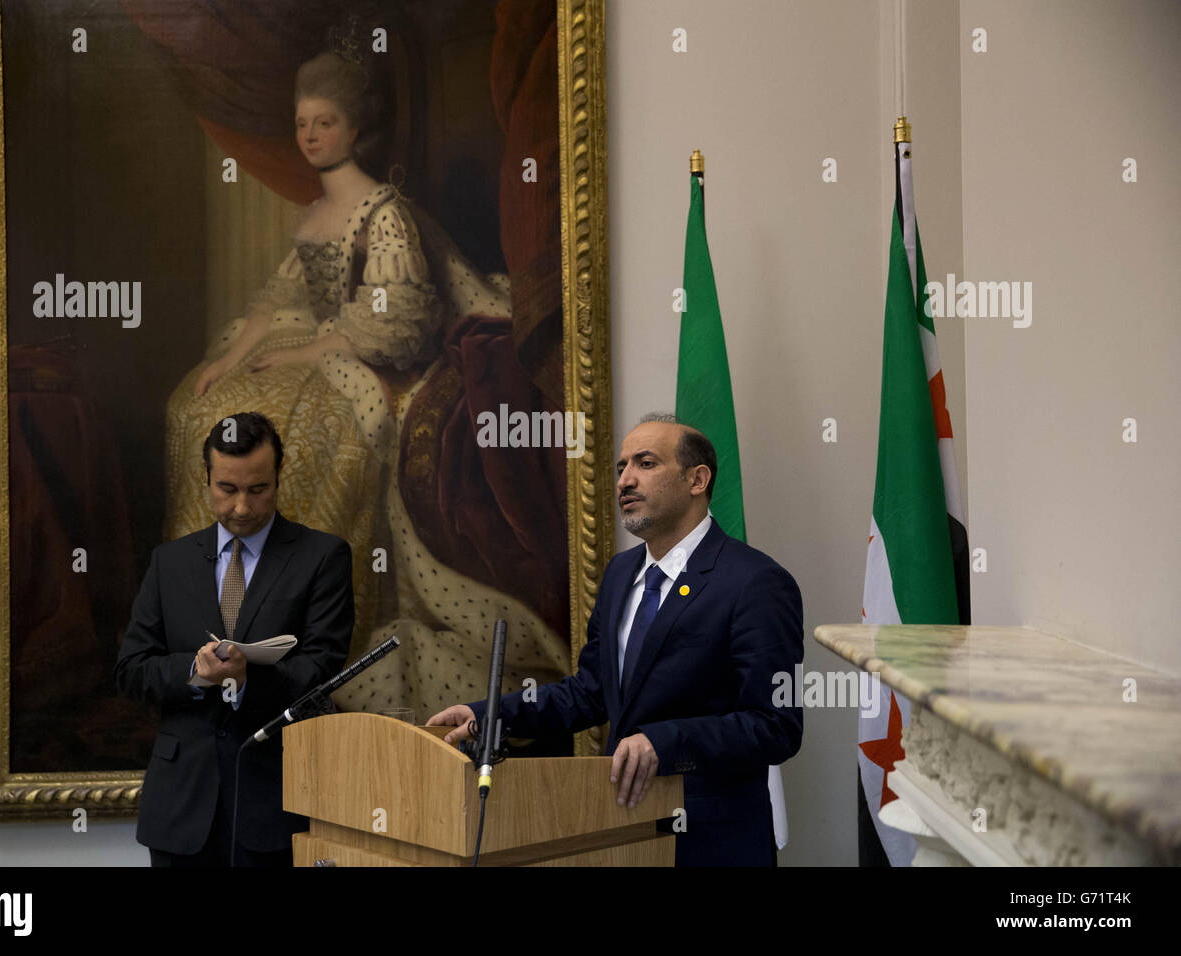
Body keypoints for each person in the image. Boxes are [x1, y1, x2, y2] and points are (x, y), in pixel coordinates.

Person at [162, 51, 571, 726]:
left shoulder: (383, 211)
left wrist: (311, 349)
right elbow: (278, 297)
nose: (312, 136)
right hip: (314, 340)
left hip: (373, 357)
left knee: (315, 434)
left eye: (327, 122)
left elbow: (400, 321)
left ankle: (307, 635)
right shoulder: (317, 212)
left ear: (358, 131)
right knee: (198, 404)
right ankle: (214, 627)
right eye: (303, 123)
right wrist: (231, 356)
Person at [427, 414, 805, 866]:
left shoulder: (755, 581)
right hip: (624, 833)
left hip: (711, 839)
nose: (625, 479)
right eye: (622, 466)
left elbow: (776, 726)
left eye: (645, 463)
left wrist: (663, 742)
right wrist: (488, 715)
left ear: (697, 479)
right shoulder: (620, 574)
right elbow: (590, 692)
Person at [115, 412, 353, 866]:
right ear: (206, 478)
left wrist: (246, 682)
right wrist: (195, 673)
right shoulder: (169, 562)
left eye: (258, 489)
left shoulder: (323, 557)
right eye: (227, 489)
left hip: (276, 806)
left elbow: (319, 670)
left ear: (278, 477)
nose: (242, 507)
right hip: (180, 810)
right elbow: (131, 670)